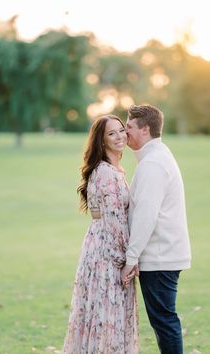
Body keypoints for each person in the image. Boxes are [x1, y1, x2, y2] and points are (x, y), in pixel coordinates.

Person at [62, 114, 139, 354]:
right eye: (111, 133)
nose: (119, 137)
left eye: (121, 131)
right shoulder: (105, 172)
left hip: (103, 246)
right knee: (107, 315)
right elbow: (114, 221)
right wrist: (126, 260)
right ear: (101, 141)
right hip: (106, 253)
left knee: (104, 315)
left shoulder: (115, 170)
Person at [122, 104, 191, 354]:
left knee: (164, 321)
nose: (124, 132)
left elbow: (146, 216)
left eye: (129, 127)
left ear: (145, 129)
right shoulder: (155, 158)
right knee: (163, 321)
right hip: (161, 255)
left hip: (160, 257)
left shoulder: (153, 164)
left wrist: (131, 258)